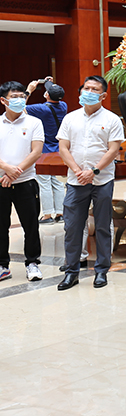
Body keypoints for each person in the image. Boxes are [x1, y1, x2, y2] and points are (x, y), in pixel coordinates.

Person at [56, 76, 123, 291]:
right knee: (72, 227)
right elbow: (63, 148)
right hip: (76, 181)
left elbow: (113, 150)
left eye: (95, 89)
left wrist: (93, 171)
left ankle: (101, 270)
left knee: (103, 225)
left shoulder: (112, 119)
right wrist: (78, 171)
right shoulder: (70, 118)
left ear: (103, 95)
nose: (89, 92)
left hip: (102, 180)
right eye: (86, 88)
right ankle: (71, 272)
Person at [0, 81, 44, 282]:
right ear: (3, 101)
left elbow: (36, 152)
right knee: (1, 226)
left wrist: (13, 173)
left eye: (21, 96)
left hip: (26, 182)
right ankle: (3, 265)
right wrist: (6, 169)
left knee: (31, 225)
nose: (19, 100)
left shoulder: (34, 122)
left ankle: (32, 263)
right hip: (1, 182)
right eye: (14, 97)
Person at [25, 77, 67, 224]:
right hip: (58, 150)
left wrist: (29, 90)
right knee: (57, 182)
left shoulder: (42, 109)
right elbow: (55, 95)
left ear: (47, 95)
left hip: (44, 150)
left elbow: (20, 108)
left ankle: (47, 215)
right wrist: (50, 83)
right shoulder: (63, 105)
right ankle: (61, 213)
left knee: (44, 183)